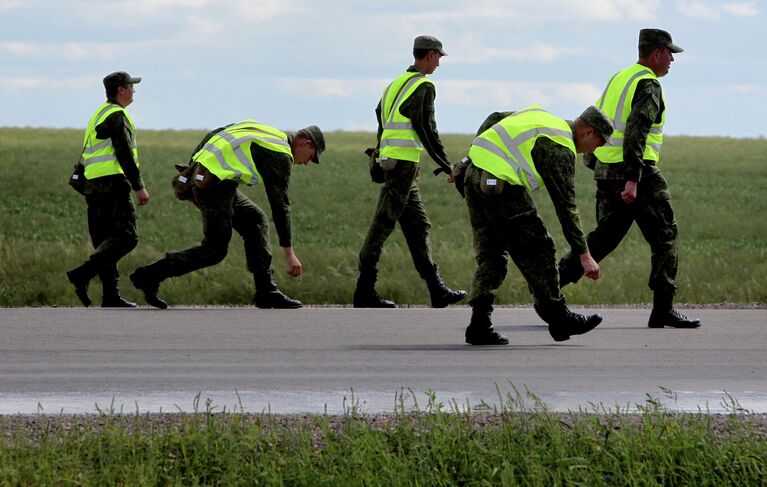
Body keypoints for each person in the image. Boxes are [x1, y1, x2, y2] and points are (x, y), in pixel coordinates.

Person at [557, 29, 700, 329]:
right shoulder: (648, 84)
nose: (672, 59)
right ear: (656, 53)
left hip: (607, 171)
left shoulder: (619, 78)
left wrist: (593, 161)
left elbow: (595, 119)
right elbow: (636, 131)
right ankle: (663, 310)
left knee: (604, 237)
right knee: (665, 236)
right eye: (669, 52)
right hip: (638, 172)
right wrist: (633, 179)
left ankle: (550, 286)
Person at [456, 105, 614, 345]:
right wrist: (584, 254)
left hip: (473, 176)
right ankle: (559, 317)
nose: (596, 150)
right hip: (500, 186)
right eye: (600, 143)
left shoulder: (540, 115)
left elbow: (494, 118)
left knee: (491, 254)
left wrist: (468, 158)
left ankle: (479, 324)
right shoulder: (560, 147)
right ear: (588, 132)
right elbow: (566, 207)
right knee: (541, 249)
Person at [129, 120, 325, 309]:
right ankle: (148, 276)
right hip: (213, 187)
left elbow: (216, 133)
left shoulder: (268, 132)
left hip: (213, 181)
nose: (307, 163)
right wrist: (290, 254)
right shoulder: (280, 153)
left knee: (255, 220)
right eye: (311, 157)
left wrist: (192, 171)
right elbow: (280, 204)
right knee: (214, 250)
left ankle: (266, 291)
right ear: (305, 143)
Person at [353, 35, 466, 308]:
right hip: (403, 165)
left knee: (418, 225)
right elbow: (427, 129)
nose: (439, 63)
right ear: (428, 55)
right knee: (382, 225)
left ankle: (436, 289)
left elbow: (380, 115)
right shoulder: (423, 86)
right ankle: (364, 290)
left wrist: (381, 153)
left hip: (398, 163)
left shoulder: (395, 84)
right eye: (438, 56)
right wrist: (447, 166)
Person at [66, 71, 150, 308]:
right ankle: (82, 274)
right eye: (131, 86)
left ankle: (110, 296)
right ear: (121, 89)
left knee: (105, 242)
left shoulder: (98, 114)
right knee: (127, 238)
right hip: (113, 185)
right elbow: (124, 154)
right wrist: (139, 187)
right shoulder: (117, 116)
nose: (134, 91)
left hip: (93, 188)